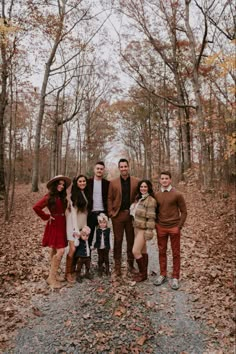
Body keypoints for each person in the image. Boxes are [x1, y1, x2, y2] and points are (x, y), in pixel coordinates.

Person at [33, 175, 71, 289]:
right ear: (54, 185)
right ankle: (51, 278)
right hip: (54, 224)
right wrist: (46, 216)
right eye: (59, 184)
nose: (61, 186)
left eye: (63, 185)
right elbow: (36, 207)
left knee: (55, 248)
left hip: (62, 223)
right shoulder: (49, 196)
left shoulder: (62, 196)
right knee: (61, 250)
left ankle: (55, 274)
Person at [154, 171, 187, 290]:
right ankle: (163, 274)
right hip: (161, 227)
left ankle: (175, 277)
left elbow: (184, 212)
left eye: (166, 178)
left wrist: (179, 227)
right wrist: (156, 225)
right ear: (160, 180)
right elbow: (155, 211)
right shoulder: (156, 195)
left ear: (170, 180)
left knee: (176, 253)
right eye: (162, 178)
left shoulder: (177, 194)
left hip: (174, 227)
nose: (164, 180)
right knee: (162, 251)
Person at [107, 158, 139, 276]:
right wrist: (111, 212)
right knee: (118, 240)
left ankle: (131, 265)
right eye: (121, 167)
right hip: (118, 216)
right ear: (119, 168)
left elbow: (139, 196)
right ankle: (117, 266)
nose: (124, 168)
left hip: (130, 216)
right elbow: (109, 198)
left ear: (128, 167)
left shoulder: (136, 181)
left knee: (131, 240)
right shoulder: (113, 182)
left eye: (125, 166)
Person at [130, 180, 157, 282]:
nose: (143, 188)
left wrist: (149, 231)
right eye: (141, 187)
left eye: (145, 187)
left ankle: (143, 274)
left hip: (143, 229)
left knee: (135, 251)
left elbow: (151, 218)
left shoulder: (150, 201)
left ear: (149, 188)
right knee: (143, 251)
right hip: (136, 227)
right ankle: (144, 274)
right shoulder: (139, 198)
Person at [65, 175, 89, 283]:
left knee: (78, 247)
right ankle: (68, 273)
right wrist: (76, 230)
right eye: (80, 181)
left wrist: (85, 226)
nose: (82, 183)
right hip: (73, 225)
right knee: (73, 249)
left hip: (81, 224)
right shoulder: (74, 195)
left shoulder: (84, 193)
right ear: (76, 182)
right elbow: (73, 214)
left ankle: (74, 269)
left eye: (84, 181)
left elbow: (85, 212)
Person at [87, 161, 110, 248]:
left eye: (101, 169)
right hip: (91, 213)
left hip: (102, 214)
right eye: (98, 168)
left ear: (103, 170)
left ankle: (102, 260)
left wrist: (108, 213)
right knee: (88, 237)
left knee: (103, 239)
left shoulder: (107, 184)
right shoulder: (88, 182)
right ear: (94, 170)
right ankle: (87, 259)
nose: (99, 170)